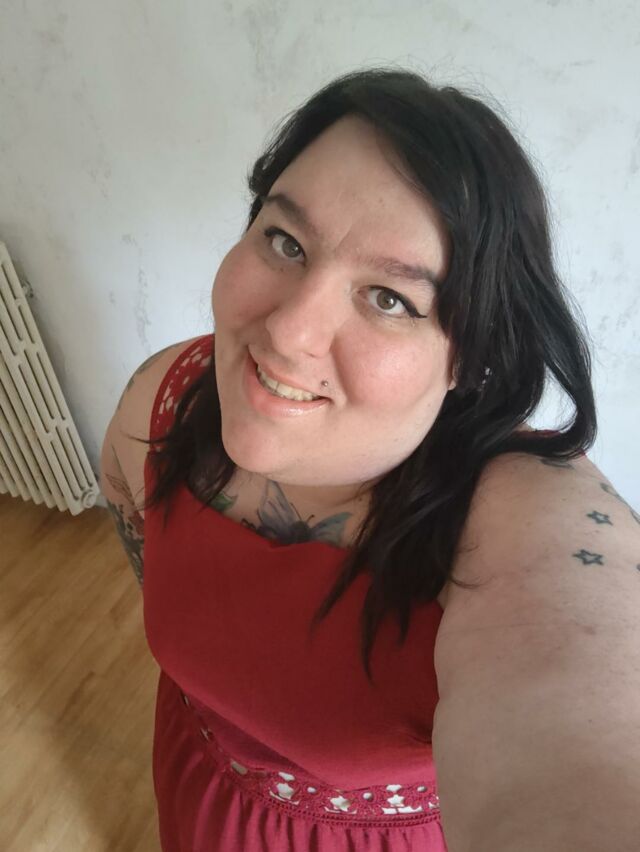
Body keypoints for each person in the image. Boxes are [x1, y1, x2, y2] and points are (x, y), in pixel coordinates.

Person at [100, 68, 640, 852]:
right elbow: (139, 533)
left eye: (390, 298)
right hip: (197, 785)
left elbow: (588, 716)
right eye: (285, 241)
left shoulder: (522, 517)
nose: (288, 333)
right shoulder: (166, 392)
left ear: (472, 357)